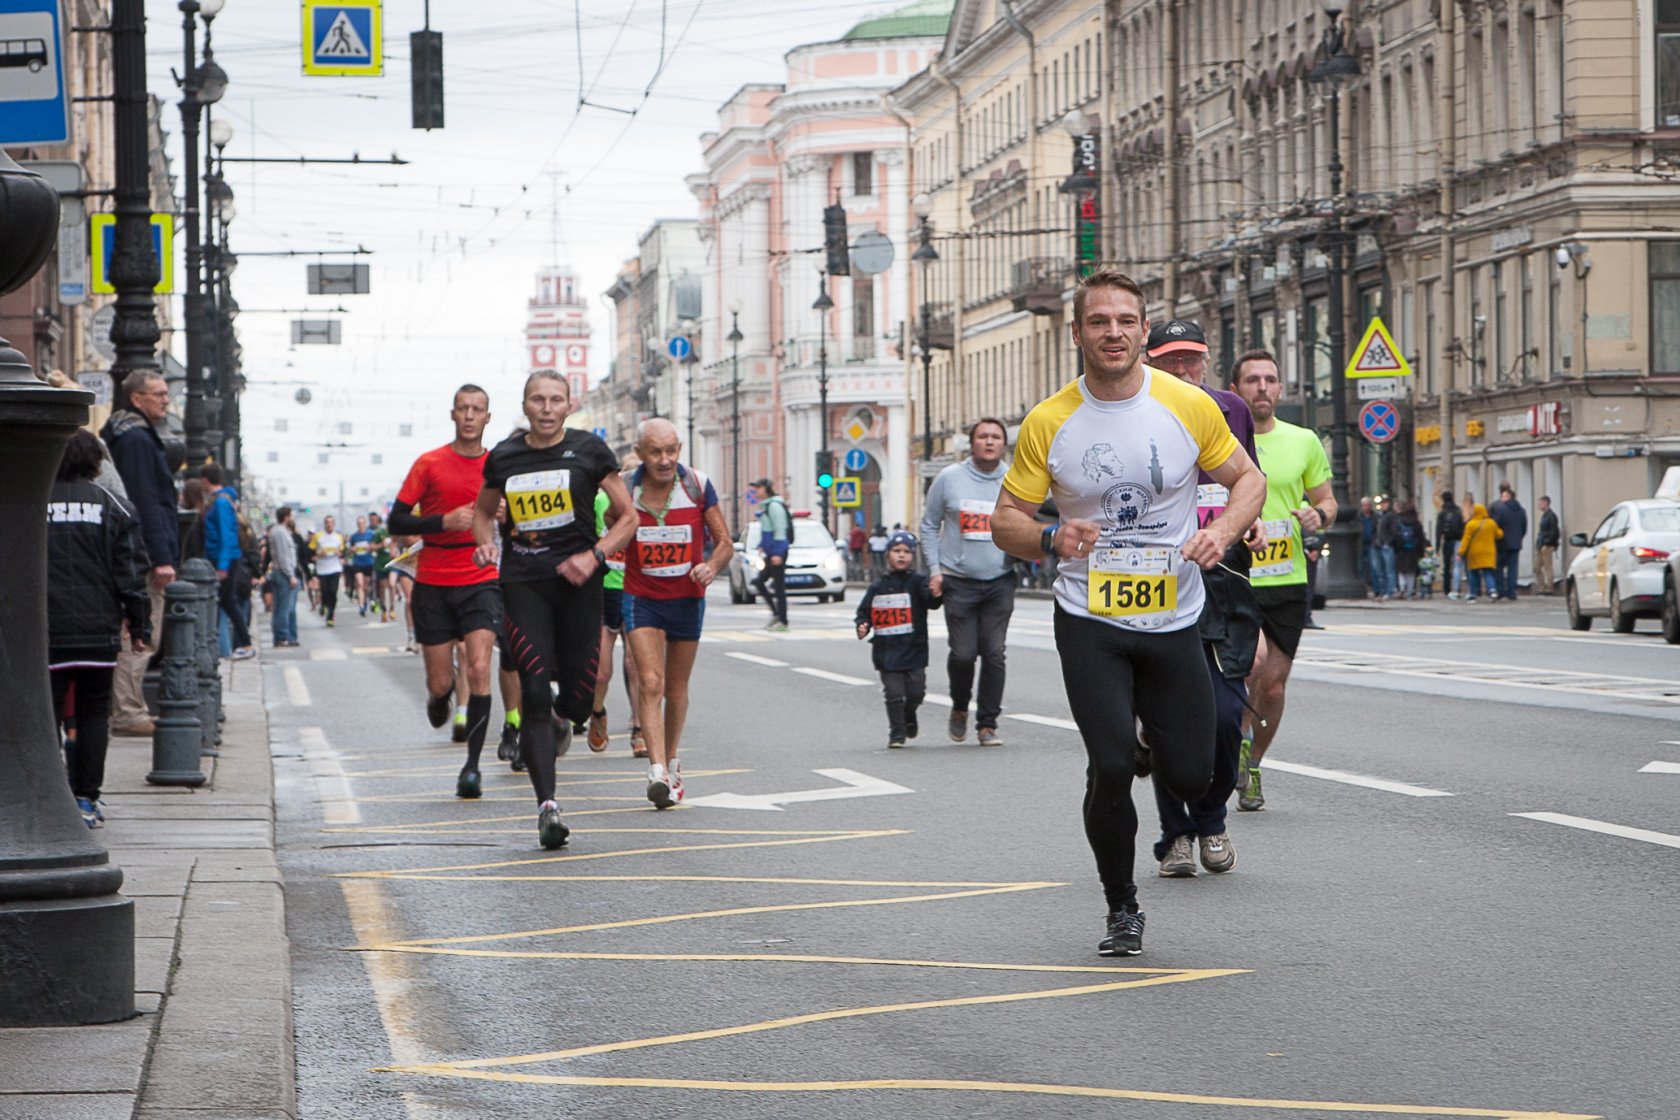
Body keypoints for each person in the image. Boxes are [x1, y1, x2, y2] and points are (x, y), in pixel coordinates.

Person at [989, 269, 1266, 957]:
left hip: (1175, 616)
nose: (1112, 332)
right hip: (1091, 618)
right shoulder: (1050, 421)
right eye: (1098, 321)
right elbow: (1005, 522)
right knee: (1110, 767)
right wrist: (1052, 537)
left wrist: (1222, 533)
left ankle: (1148, 742)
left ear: (1144, 331)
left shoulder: (1186, 405)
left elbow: (1249, 481)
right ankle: (1122, 908)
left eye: (1125, 321)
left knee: (1192, 776)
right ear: (1077, 332)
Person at [475, 371, 636, 849]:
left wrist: (595, 555)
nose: (546, 408)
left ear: (569, 405)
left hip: (580, 584)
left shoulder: (590, 451)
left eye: (555, 400)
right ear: (525, 406)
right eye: (537, 400)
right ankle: (547, 807)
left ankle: (570, 717)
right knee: (534, 692)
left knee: (577, 701)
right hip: (524, 582)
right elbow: (484, 512)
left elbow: (627, 516)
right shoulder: (505, 456)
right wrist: (486, 544)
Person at [1142, 318, 1264, 878]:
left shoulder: (1231, 410)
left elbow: (1247, 480)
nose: (1183, 371)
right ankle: (1178, 835)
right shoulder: (1137, 411)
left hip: (1223, 581)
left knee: (1223, 714)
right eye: (1170, 361)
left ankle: (1211, 817)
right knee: (1169, 717)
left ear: (1207, 361)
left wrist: (1250, 523)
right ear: (1151, 363)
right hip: (1159, 580)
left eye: (1191, 360)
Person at [1231, 349, 1337, 812]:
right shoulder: (1223, 439)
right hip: (1236, 572)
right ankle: (1230, 745)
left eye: (1270, 379)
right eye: (1252, 380)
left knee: (1273, 686)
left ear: (1280, 388)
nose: (1262, 387)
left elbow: (1328, 501)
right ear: (1235, 390)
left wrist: (1319, 516)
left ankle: (1251, 763)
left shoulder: (1303, 440)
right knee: (1250, 665)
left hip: (1288, 577)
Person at [388, 385, 504, 800]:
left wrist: (505, 518)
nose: (470, 416)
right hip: (434, 580)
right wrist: (443, 522)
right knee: (441, 682)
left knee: (478, 667)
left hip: (480, 576)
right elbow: (396, 521)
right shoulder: (430, 463)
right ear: (453, 415)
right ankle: (440, 698)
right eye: (463, 409)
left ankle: (472, 768)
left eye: (478, 410)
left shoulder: (498, 465)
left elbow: (521, 522)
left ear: (488, 418)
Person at [620, 419, 733, 807]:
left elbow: (724, 543)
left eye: (671, 450)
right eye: (655, 452)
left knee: (675, 688)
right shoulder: (626, 487)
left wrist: (712, 566)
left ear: (680, 448)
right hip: (641, 597)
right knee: (650, 682)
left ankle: (671, 760)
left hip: (686, 598)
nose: (665, 460)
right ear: (639, 453)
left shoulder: (697, 485)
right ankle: (656, 772)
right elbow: (611, 528)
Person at [47, 430, 152, 828]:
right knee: (93, 713)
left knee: (48, 715)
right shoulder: (115, 507)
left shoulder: (28, 503)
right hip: (98, 630)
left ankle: (50, 796)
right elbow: (130, 573)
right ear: (96, 462)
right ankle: (86, 799)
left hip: (45, 630)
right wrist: (140, 624)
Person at [920, 417, 1015, 747]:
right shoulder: (949, 478)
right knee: (963, 654)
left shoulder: (1015, 480)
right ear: (971, 443)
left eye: (995, 437)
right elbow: (930, 525)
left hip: (999, 580)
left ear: (1003, 444)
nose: (989, 442)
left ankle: (987, 724)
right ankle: (960, 707)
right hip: (958, 581)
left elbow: (1030, 519)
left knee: (994, 653)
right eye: (983, 436)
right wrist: (935, 569)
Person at [101, 370, 179, 737]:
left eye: (166, 393)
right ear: (136, 398)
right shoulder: (135, 440)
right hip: (145, 556)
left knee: (141, 634)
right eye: (158, 394)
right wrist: (161, 556)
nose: (165, 399)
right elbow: (145, 501)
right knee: (141, 634)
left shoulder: (129, 435)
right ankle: (128, 713)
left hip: (136, 552)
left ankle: (127, 708)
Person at [855, 530, 942, 748]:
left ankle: (909, 714)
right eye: (896, 551)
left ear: (913, 556)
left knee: (916, 692)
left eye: (906, 552)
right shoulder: (878, 587)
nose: (901, 556)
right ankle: (896, 733)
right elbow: (864, 612)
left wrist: (936, 594)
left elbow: (930, 602)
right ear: (887, 556)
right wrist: (863, 625)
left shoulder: (918, 582)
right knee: (893, 693)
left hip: (914, 649)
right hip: (887, 651)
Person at [585, 488, 641, 757]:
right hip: (604, 589)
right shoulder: (598, 501)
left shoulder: (643, 500)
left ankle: (639, 729)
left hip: (634, 590)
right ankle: (597, 712)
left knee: (636, 663)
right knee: (601, 672)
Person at [200, 463, 255, 660]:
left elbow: (225, 535)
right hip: (226, 557)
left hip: (225, 559)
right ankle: (243, 644)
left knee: (223, 602)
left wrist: (222, 566)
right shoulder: (222, 500)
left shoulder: (221, 503)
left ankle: (243, 644)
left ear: (206, 480)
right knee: (226, 602)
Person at [749, 479, 791, 631]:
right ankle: (776, 615)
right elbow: (768, 530)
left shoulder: (774, 506)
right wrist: (762, 545)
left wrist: (778, 553)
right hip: (771, 551)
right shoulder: (767, 505)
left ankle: (783, 621)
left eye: (758, 488)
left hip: (777, 552)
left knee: (779, 587)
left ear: (766, 489)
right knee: (759, 582)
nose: (756, 491)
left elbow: (780, 530)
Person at [268, 506, 301, 647]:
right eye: (290, 516)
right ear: (286, 517)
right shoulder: (280, 532)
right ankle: (281, 636)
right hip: (283, 574)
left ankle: (286, 635)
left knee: (283, 606)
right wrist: (290, 575)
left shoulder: (280, 531)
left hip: (282, 572)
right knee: (283, 607)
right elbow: (283, 556)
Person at [1489, 482, 1528, 601]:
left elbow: (1495, 526)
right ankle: (1511, 592)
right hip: (1516, 544)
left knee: (1499, 567)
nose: (1502, 499)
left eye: (1503, 497)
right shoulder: (1521, 510)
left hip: (1502, 543)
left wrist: (1496, 539)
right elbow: (1524, 527)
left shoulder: (1501, 510)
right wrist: (1518, 538)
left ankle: (1501, 590)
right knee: (1513, 568)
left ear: (1508, 497)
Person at [1458, 502, 1503, 602]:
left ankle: (1473, 593)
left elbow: (1466, 540)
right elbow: (1499, 534)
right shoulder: (1491, 523)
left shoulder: (1470, 524)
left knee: (1473, 574)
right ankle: (1492, 590)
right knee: (1488, 573)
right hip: (1489, 552)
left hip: (1474, 553)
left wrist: (1460, 552)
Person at [310, 516, 346, 626]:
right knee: (325, 591)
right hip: (322, 568)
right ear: (324, 524)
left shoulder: (338, 537)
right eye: (327, 522)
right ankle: (324, 604)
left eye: (331, 522)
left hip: (335, 568)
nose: (329, 524)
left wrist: (340, 554)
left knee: (333, 592)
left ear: (334, 524)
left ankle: (330, 616)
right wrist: (318, 554)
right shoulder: (318, 536)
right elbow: (310, 551)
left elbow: (343, 552)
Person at [1393, 500, 1429, 599]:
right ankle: (1410, 591)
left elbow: (1395, 535)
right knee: (1411, 571)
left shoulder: (1399, 520)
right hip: (1413, 549)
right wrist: (1421, 549)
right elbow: (1421, 537)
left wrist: (1396, 546)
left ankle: (1402, 587)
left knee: (1401, 570)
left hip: (1401, 549)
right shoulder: (1416, 522)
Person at [1434, 490, 1464, 598]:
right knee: (1457, 565)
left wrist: (1437, 548)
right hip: (1458, 541)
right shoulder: (1458, 511)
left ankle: (1446, 588)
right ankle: (1457, 588)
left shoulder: (1442, 513)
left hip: (1447, 541)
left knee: (1447, 566)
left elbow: (1438, 531)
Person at [1535, 496, 1561, 596]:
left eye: (1541, 503)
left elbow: (1554, 531)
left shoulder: (1551, 516)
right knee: (1536, 568)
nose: (1539, 505)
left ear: (1546, 503)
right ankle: (1541, 587)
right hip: (1541, 544)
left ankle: (1549, 588)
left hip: (1547, 546)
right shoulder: (1545, 515)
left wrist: (1548, 542)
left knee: (1547, 567)